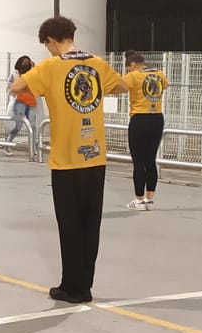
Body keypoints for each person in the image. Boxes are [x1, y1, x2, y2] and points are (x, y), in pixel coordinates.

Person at [11, 16, 124, 304]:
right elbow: (121, 86)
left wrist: (37, 82)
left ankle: (70, 287)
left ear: (50, 40)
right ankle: (84, 286)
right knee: (90, 224)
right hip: (96, 155)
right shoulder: (97, 63)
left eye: (46, 45)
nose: (47, 50)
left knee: (70, 225)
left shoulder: (50, 66)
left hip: (67, 158)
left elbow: (17, 88)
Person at [120, 51, 170, 210]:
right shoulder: (159, 73)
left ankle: (139, 200)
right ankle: (149, 198)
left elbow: (119, 87)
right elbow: (165, 86)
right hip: (157, 119)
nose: (128, 71)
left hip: (139, 119)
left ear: (133, 64)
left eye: (128, 68)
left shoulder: (133, 76)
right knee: (150, 160)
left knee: (138, 162)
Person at [4, 55, 37, 153]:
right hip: (20, 102)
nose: (26, 64)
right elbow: (10, 88)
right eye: (24, 62)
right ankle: (8, 143)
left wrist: (34, 69)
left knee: (33, 125)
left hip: (31, 102)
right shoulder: (15, 75)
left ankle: (33, 148)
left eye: (28, 62)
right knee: (18, 126)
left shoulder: (33, 73)